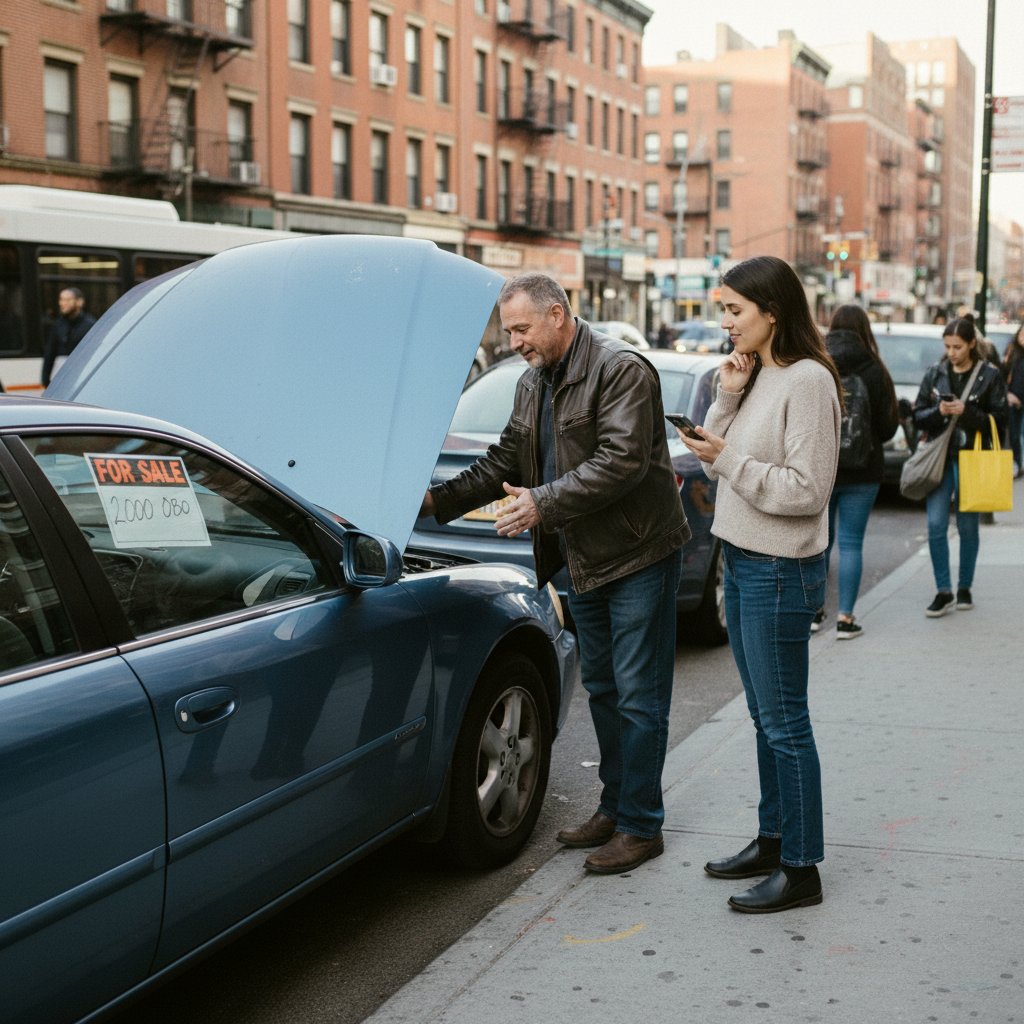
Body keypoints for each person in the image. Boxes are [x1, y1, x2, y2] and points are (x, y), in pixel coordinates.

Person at [421, 272, 689, 875]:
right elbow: (504, 461)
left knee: (639, 696)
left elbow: (621, 461)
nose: (513, 341)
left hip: (639, 554)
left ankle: (642, 825)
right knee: (605, 689)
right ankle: (615, 807)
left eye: (521, 328)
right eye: (508, 330)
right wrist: (436, 502)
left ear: (557, 314)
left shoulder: (621, 369)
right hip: (582, 557)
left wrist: (543, 503)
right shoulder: (531, 382)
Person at [676, 255, 840, 913]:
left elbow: (807, 491)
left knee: (784, 721)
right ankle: (774, 839)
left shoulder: (809, 382)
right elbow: (710, 461)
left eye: (734, 310)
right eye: (723, 309)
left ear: (772, 312)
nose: (726, 322)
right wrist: (726, 395)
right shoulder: (759, 377)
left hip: (778, 569)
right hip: (742, 561)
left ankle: (801, 868)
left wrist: (732, 459)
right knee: (763, 716)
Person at [913, 316, 1008, 617]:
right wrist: (939, 411)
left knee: (968, 526)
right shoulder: (936, 373)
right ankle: (944, 590)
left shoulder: (989, 375)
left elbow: (1001, 420)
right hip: (940, 458)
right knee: (935, 524)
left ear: (971, 344)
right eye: (947, 346)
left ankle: (965, 586)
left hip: (972, 459)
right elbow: (917, 415)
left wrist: (966, 412)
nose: (951, 353)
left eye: (957, 347)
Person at [817, 304, 899, 639]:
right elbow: (888, 428)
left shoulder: (817, 363)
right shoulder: (875, 369)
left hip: (822, 469)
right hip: (864, 472)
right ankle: (846, 618)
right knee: (851, 544)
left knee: (819, 544)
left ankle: (814, 612)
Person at [42, 287, 96, 388]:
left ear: (79, 302)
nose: (62, 303)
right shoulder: (58, 325)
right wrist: (45, 379)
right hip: (61, 377)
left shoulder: (90, 324)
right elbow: (50, 352)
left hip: (82, 377)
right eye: (61, 299)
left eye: (67, 300)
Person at [1002, 324, 1024, 476]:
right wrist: (1008, 395)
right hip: (1013, 399)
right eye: (1022, 334)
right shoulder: (1012, 352)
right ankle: (1017, 463)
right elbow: (1001, 375)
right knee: (1014, 434)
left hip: (1020, 399)